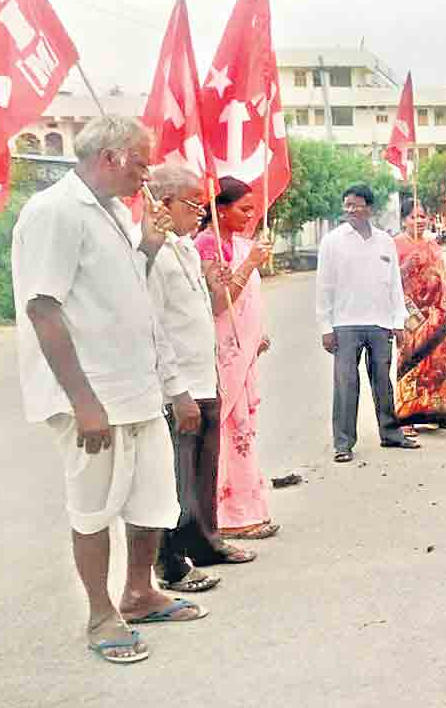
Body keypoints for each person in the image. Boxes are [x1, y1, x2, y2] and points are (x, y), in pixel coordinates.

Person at [11, 116, 208, 664]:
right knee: (94, 508)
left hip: (137, 390)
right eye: (142, 163)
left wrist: (143, 248)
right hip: (92, 398)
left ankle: (139, 592)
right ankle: (101, 614)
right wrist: (83, 401)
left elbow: (133, 303)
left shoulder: (118, 215)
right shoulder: (54, 212)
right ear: (112, 158)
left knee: (150, 500)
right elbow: (43, 308)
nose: (147, 175)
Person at [147, 166, 257, 592]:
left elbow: (209, 310)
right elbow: (156, 324)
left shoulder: (188, 250)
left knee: (204, 472)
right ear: (163, 203)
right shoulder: (152, 253)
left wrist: (218, 284)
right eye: (192, 203)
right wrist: (177, 391)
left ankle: (205, 541)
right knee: (177, 476)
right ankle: (169, 561)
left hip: (204, 375)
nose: (200, 211)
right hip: (179, 384)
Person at [196, 177, 280, 539]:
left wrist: (256, 332)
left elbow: (248, 302)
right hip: (219, 354)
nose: (250, 216)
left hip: (242, 353)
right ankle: (226, 516)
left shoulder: (239, 244)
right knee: (226, 432)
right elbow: (218, 304)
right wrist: (249, 265)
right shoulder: (205, 245)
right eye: (243, 209)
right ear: (221, 209)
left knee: (242, 430)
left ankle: (246, 510)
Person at [315, 184, 416, 463]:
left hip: (380, 322)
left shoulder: (385, 241)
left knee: (382, 381)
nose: (351, 210)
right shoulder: (332, 241)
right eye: (347, 205)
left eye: (357, 205)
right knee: (346, 384)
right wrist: (326, 327)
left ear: (369, 208)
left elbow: (394, 284)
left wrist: (398, 320)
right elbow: (324, 287)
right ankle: (343, 443)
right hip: (345, 324)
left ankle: (391, 433)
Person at [392, 195, 446, 432]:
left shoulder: (433, 244)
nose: (419, 221)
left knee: (438, 365)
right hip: (411, 316)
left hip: (437, 315)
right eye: (413, 217)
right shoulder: (396, 244)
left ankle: (439, 414)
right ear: (404, 220)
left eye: (422, 216)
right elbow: (388, 281)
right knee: (410, 363)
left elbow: (444, 279)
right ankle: (407, 418)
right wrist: (407, 265)